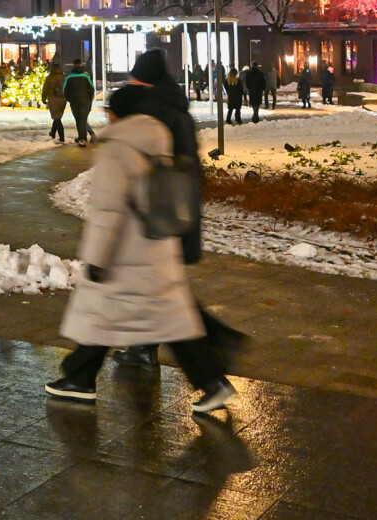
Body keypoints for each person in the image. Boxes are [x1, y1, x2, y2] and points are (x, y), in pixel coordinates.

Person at [45, 52, 237, 415]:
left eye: (109, 111)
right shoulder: (155, 139)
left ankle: (80, 379)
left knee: (114, 316)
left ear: (119, 114)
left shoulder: (119, 148)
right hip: (155, 246)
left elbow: (109, 211)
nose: (106, 116)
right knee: (166, 321)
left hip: (125, 253)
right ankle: (82, 377)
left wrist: (97, 259)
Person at [63, 57, 95, 146]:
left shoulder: (69, 77)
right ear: (81, 65)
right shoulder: (86, 76)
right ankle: (83, 138)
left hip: (74, 101)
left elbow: (64, 91)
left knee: (78, 119)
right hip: (85, 101)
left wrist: (70, 99)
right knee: (83, 119)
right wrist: (89, 99)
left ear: (73, 66)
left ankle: (82, 139)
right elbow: (92, 89)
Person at [42, 62, 68, 143]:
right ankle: (52, 133)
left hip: (53, 99)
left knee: (57, 118)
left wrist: (43, 98)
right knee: (57, 117)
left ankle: (62, 137)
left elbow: (45, 89)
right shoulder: (64, 77)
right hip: (63, 100)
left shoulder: (50, 78)